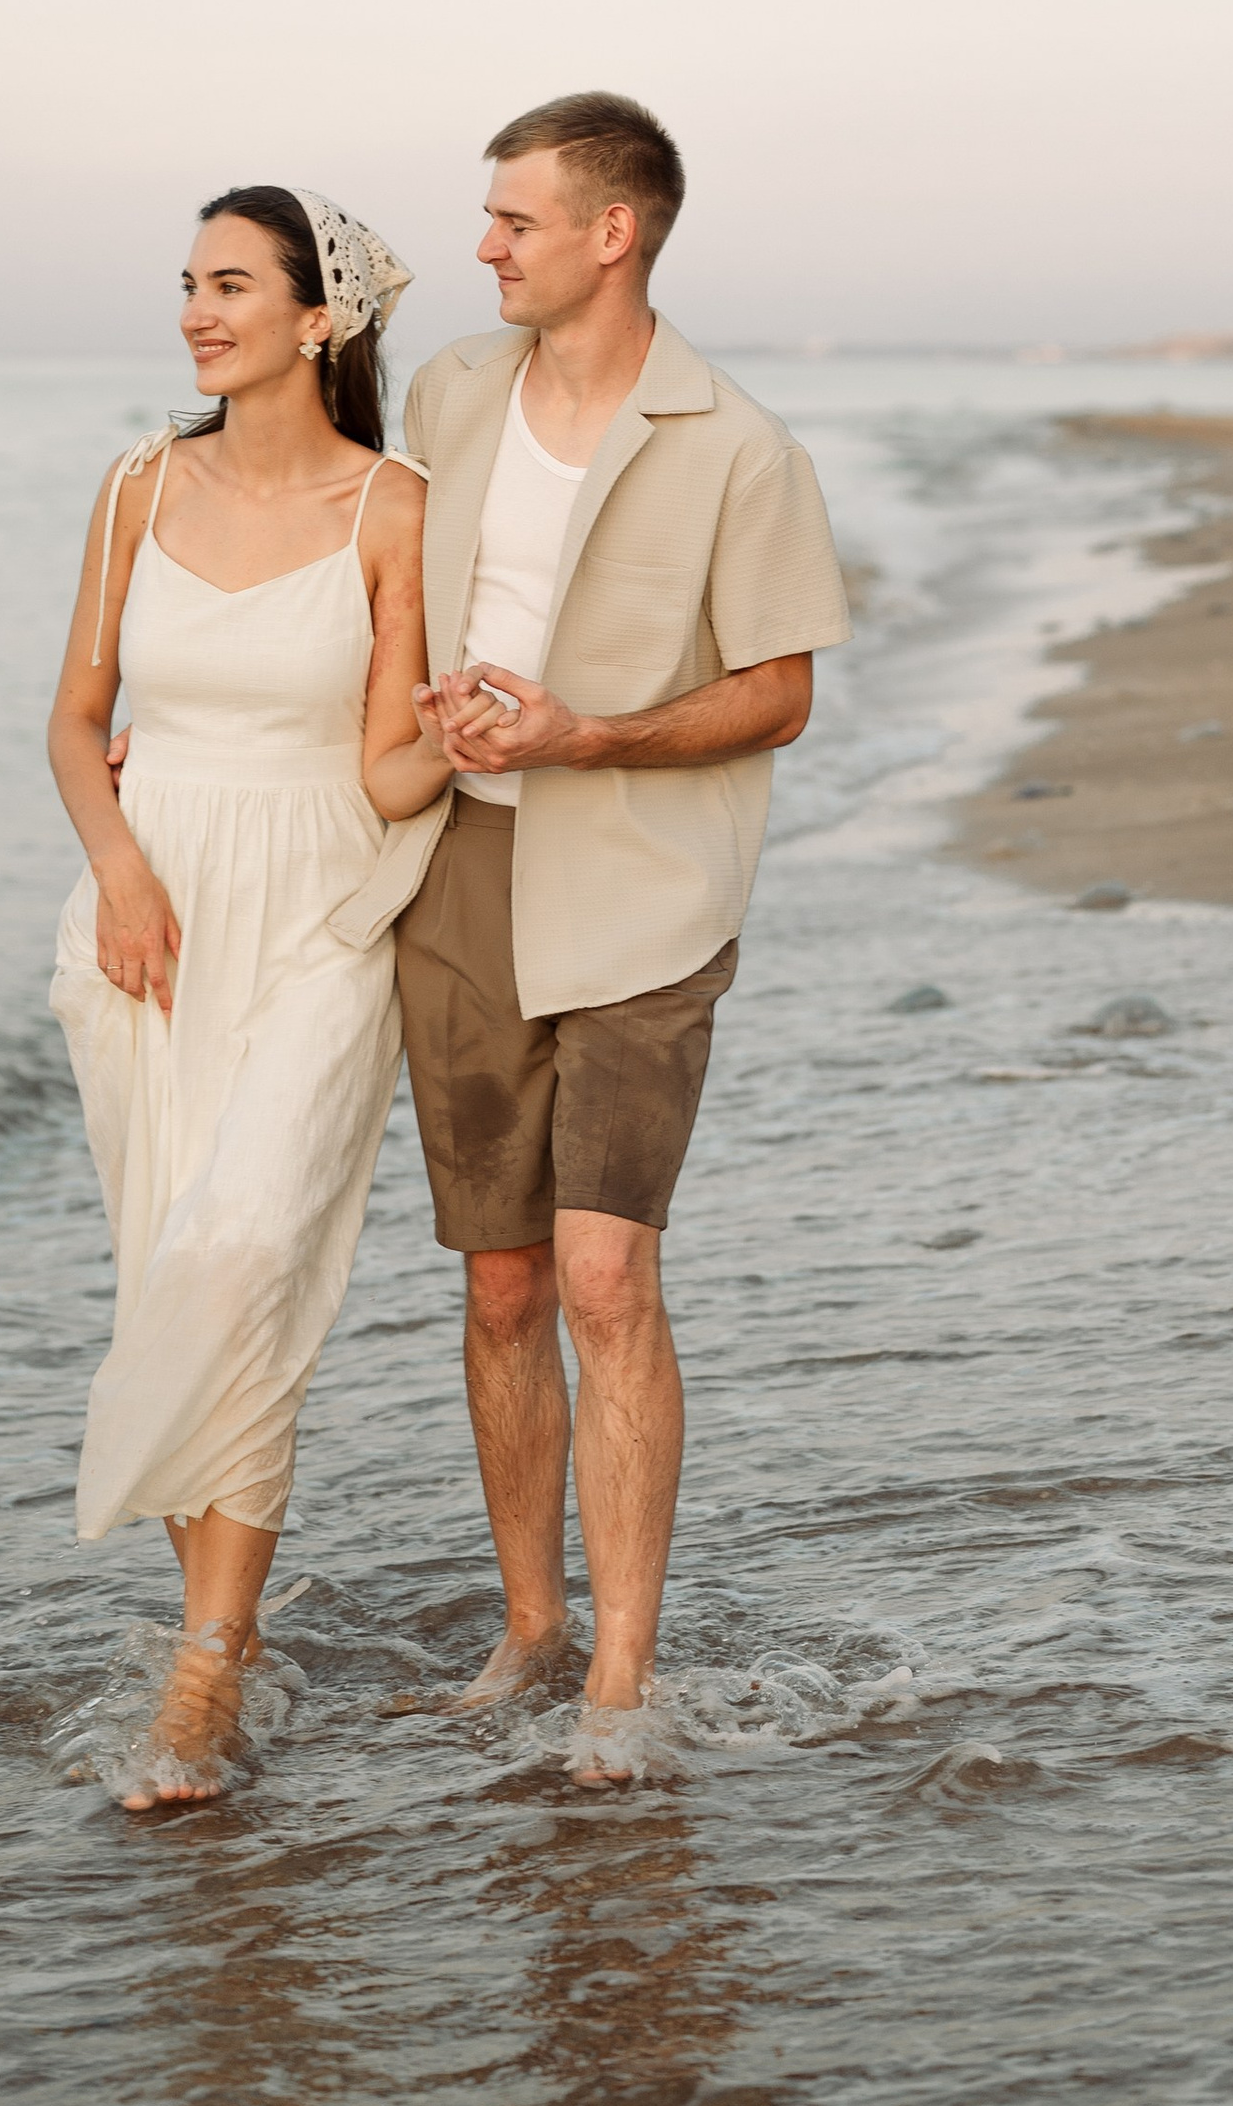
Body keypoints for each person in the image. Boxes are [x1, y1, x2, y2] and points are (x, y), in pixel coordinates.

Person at [333, 92, 852, 1783]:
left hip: (642, 887)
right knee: (498, 1291)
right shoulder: (449, 393)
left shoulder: (739, 444)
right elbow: (371, 596)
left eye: (514, 220)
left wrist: (588, 740)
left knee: (606, 1278)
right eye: (488, 220)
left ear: (611, 233)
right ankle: (532, 1631)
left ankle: (622, 1679)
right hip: (460, 879)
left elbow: (779, 693)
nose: (483, 246)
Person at [46, 185, 457, 1809]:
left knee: (241, 1256)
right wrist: (126, 872)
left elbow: (387, 762)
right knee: (170, 1272)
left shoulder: (396, 507)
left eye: (233, 285)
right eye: (190, 284)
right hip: (143, 921)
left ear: (320, 318)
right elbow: (79, 722)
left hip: (319, 915)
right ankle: (215, 1630)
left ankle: (205, 1676)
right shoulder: (137, 488)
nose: (199, 313)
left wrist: (486, 737)